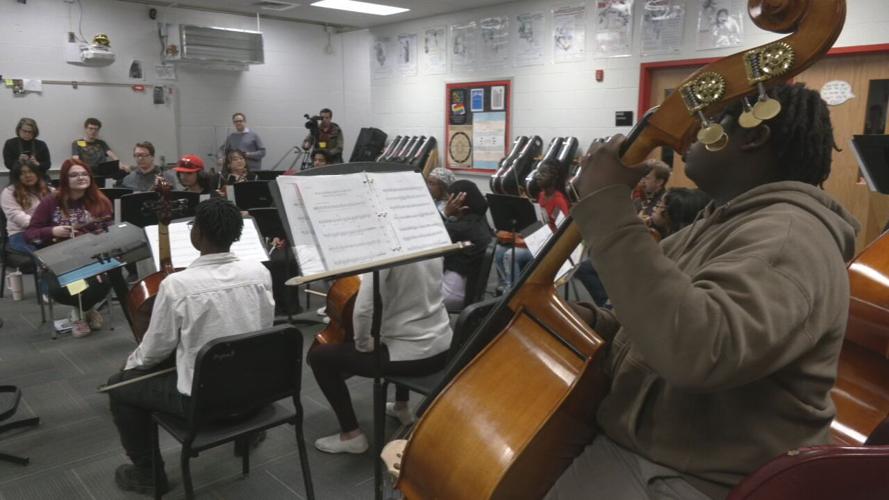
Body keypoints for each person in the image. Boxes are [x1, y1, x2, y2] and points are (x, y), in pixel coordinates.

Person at [546, 83, 858, 499]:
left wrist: (607, 203)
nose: (685, 135)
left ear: (754, 135)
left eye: (708, 121)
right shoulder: (720, 222)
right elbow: (652, 322)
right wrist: (593, 320)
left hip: (694, 479)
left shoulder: (787, 236)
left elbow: (697, 349)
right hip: (654, 450)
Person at [106, 197, 274, 496]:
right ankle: (249, 434)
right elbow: (261, 327)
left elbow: (155, 350)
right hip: (259, 393)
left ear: (196, 234)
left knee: (119, 387)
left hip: (204, 403)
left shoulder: (177, 285)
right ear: (237, 234)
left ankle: (148, 474)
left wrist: (129, 366)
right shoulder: (260, 273)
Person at [307, 259, 452, 454]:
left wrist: (362, 343)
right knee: (397, 332)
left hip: (411, 357)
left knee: (319, 356)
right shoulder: (433, 237)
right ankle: (402, 407)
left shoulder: (384, 252)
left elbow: (363, 310)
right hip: (445, 348)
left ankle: (352, 436)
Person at [25, 159, 114, 337]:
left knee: (101, 285)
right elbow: (30, 233)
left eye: (84, 174)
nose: (80, 177)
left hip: (90, 256)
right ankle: (83, 310)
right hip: (59, 257)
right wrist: (53, 230)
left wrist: (92, 231)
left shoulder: (100, 200)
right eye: (74, 175)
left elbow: (108, 232)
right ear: (65, 179)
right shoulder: (51, 202)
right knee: (65, 288)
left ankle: (82, 311)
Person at [495, 160, 569, 291]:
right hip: (538, 239)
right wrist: (521, 234)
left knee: (510, 255)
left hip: (549, 246)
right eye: (538, 172)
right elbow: (540, 223)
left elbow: (561, 231)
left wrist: (530, 239)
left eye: (543, 173)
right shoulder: (542, 195)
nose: (538, 176)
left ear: (554, 177)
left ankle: (514, 293)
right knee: (499, 250)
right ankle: (504, 287)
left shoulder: (558, 201)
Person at [441, 180, 493, 311]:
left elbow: (430, 237)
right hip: (468, 291)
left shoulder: (458, 229)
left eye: (449, 200)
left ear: (459, 203)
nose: (446, 204)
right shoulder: (480, 220)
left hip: (450, 293)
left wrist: (445, 214)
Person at [1, 162, 52, 253]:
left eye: (31, 172)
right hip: (20, 233)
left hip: (46, 230)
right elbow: (18, 217)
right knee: (40, 256)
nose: (28, 175)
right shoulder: (9, 192)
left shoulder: (48, 189)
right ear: (17, 177)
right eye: (22, 173)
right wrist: (45, 227)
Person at [633, 159, 670, 223]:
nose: (641, 181)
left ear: (659, 182)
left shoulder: (666, 203)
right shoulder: (637, 200)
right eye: (641, 176)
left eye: (646, 178)